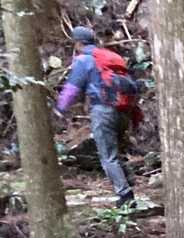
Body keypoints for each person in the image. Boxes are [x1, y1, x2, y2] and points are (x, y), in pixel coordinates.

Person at [55, 26, 137, 207]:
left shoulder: (83, 60)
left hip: (103, 110)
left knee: (108, 156)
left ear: (78, 43)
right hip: (124, 111)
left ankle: (125, 196)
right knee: (116, 151)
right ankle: (129, 183)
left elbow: (72, 88)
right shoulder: (110, 57)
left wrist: (60, 108)